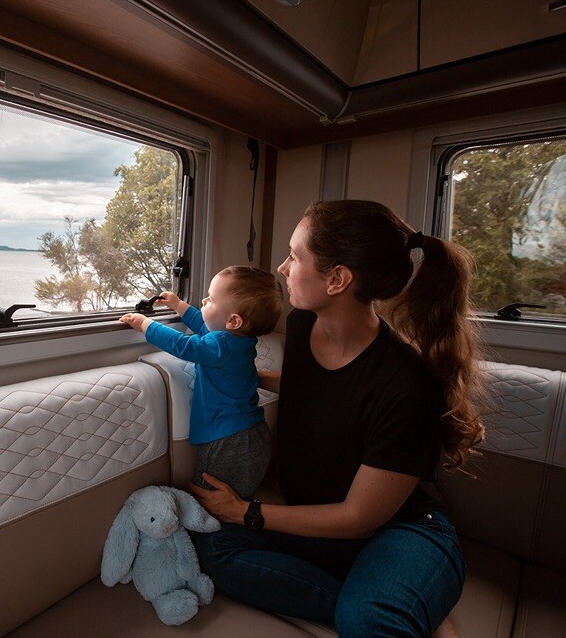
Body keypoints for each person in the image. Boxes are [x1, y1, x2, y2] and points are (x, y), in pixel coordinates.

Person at [190, 200, 486, 637]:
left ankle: (384, 601)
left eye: (295, 256)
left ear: (337, 279)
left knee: (366, 621)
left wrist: (246, 512)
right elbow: (317, 390)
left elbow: (358, 518)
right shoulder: (302, 323)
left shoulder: (407, 385)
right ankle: (392, 602)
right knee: (210, 547)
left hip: (397, 530)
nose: (282, 266)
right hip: (320, 527)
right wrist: (236, 375)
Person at [120, 266, 283, 499]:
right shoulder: (238, 341)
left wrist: (146, 325)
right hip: (253, 432)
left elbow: (185, 346)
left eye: (211, 299)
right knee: (238, 495)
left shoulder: (221, 346)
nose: (204, 300)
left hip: (228, 439)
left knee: (208, 496)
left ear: (234, 320)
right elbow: (206, 325)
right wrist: (179, 305)